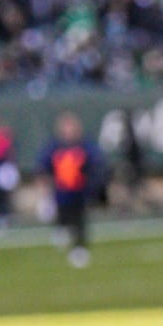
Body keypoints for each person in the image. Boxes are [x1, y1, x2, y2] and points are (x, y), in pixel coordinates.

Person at [37, 111, 105, 267]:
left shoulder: (85, 146)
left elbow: (96, 166)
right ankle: (63, 232)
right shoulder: (54, 147)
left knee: (79, 219)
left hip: (79, 190)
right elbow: (43, 168)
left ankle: (79, 248)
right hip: (61, 191)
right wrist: (44, 193)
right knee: (63, 216)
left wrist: (93, 187)